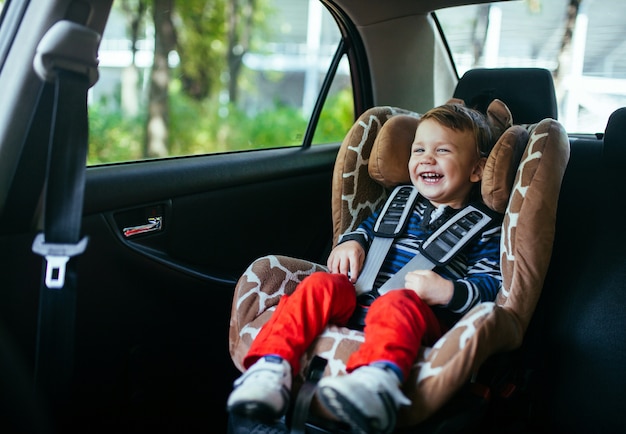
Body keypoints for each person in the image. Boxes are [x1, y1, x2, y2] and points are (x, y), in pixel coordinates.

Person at [226, 103, 503, 434]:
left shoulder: (484, 226)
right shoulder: (400, 199)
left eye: (442, 151)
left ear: (477, 169)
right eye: (419, 150)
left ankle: (376, 384)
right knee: (320, 285)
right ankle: (271, 367)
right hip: (360, 296)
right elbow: (368, 228)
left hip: (417, 315)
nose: (426, 159)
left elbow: (489, 284)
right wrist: (351, 242)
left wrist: (446, 291)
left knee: (396, 302)